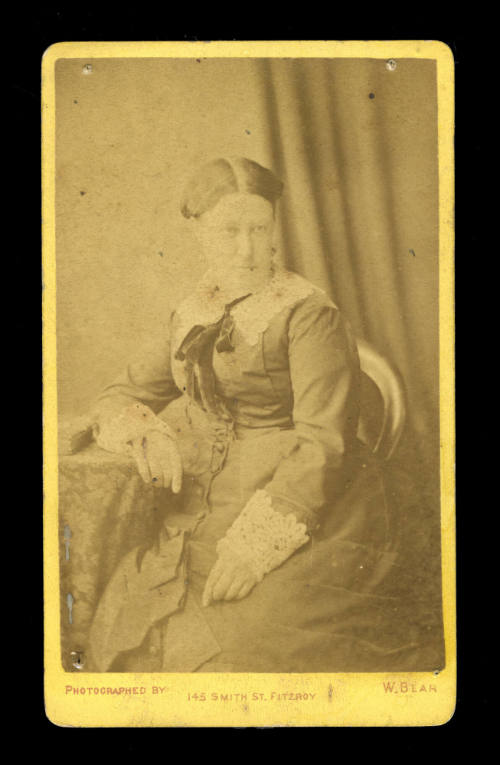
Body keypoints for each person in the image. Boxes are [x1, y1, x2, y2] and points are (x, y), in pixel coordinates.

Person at [86, 157, 428, 673]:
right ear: (198, 231)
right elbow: (122, 392)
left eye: (259, 229)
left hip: (312, 505)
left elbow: (324, 443)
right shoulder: (194, 311)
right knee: (139, 619)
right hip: (207, 504)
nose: (247, 248)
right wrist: (146, 431)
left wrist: (255, 547)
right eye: (229, 231)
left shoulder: (308, 313)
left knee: (249, 641)